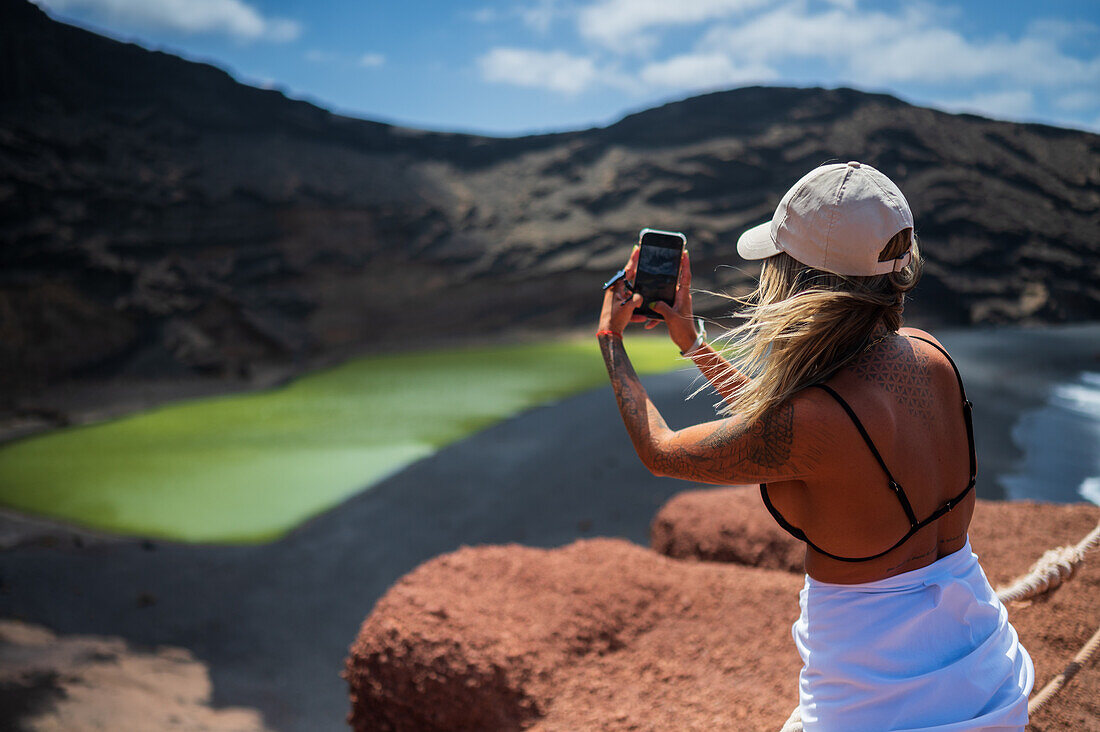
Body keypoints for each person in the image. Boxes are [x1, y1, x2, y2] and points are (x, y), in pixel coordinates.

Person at [596, 161, 1034, 731]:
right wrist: (694, 344)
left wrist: (610, 339)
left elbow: (661, 449)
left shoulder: (815, 422)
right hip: (989, 680)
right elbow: (802, 431)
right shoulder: (931, 356)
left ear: (797, 279)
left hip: (874, 710)